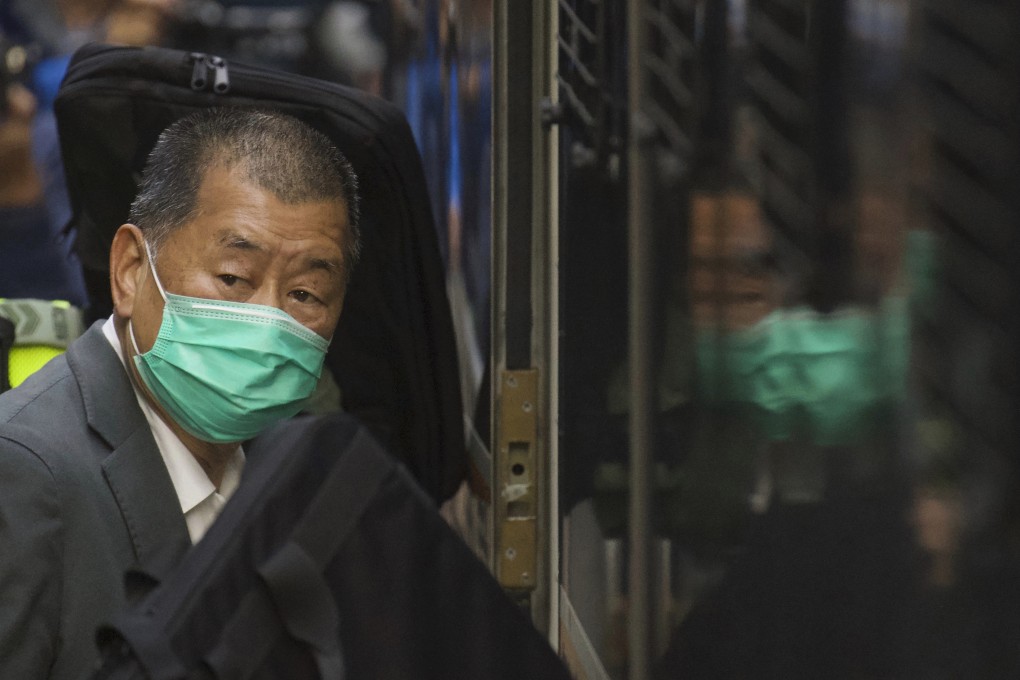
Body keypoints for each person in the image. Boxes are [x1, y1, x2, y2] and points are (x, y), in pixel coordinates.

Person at [0, 107, 360, 679]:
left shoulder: (298, 467)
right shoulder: (23, 473)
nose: (267, 322)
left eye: (305, 293)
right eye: (233, 278)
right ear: (130, 271)